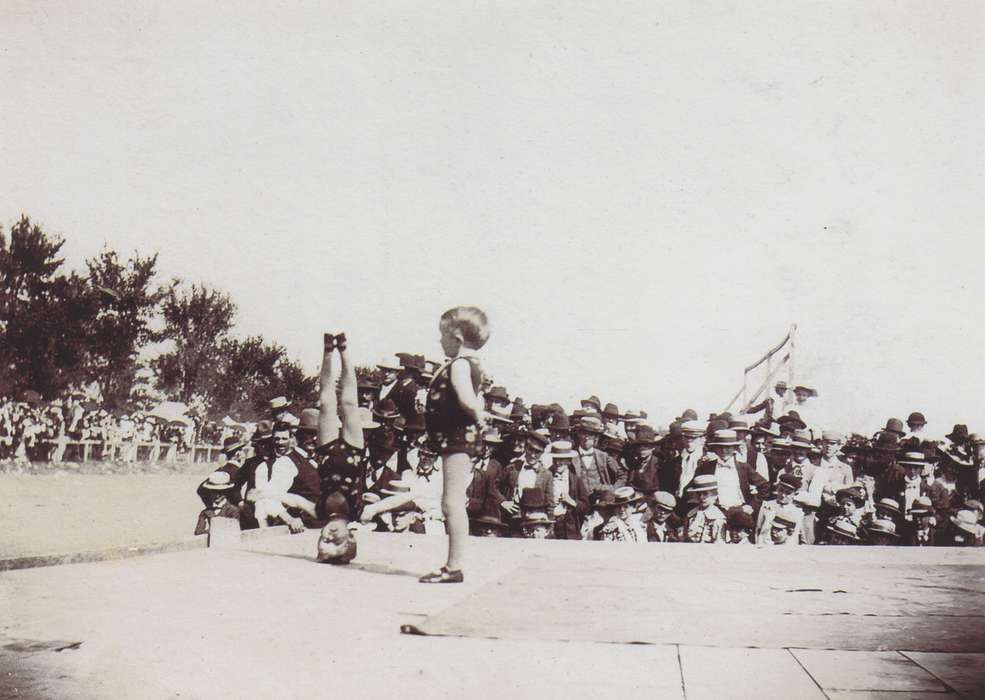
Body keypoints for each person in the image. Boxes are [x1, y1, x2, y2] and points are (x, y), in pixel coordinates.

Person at [419, 306, 490, 584]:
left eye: (442, 336)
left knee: (452, 502)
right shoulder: (464, 364)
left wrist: (477, 414)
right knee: (451, 501)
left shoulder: (461, 365)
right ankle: (453, 565)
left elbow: (465, 397)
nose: (440, 341)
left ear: (458, 338)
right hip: (453, 439)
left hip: (458, 439)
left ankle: (454, 566)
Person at [312, 332, 369, 564]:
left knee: (325, 404)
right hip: (352, 455)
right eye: (338, 542)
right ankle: (344, 351)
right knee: (349, 403)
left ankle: (328, 352)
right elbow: (392, 502)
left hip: (326, 455)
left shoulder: (319, 512)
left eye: (324, 542)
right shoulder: (360, 513)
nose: (331, 536)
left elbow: (294, 501)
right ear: (351, 538)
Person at [546, 440, 590, 540]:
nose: (557, 463)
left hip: (570, 527)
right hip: (550, 525)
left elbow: (586, 507)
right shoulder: (546, 476)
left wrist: (572, 502)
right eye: (555, 459)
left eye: (561, 460)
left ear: (569, 461)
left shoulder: (576, 480)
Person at [571, 417, 618, 492]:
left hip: (599, 499)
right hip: (578, 500)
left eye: (590, 435)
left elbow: (622, 475)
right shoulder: (571, 456)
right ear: (578, 434)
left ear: (596, 437)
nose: (586, 438)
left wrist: (611, 488)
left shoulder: (603, 456)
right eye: (584, 433)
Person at [684, 475, 726, 543]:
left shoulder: (718, 517)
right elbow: (685, 537)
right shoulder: (691, 514)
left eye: (705, 494)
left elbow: (719, 542)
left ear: (714, 495)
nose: (701, 497)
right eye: (698, 494)